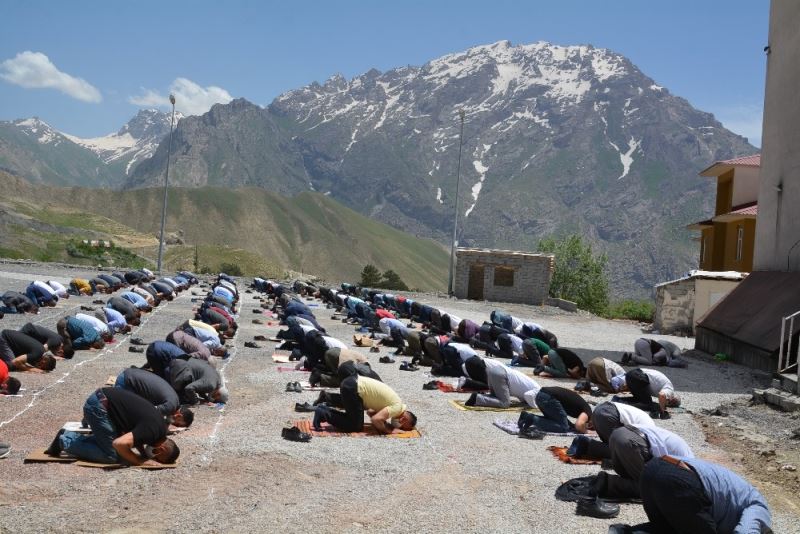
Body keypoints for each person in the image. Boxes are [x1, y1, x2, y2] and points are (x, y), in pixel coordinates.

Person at [626, 456, 772, 533]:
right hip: (678, 481)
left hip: (652, 469)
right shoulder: (759, 506)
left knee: (668, 529)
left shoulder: (741, 495)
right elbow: (745, 531)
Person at [45, 387, 180, 466]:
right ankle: (65, 440)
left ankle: (70, 436)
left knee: (118, 448)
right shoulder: (152, 432)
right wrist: (139, 461)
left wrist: (143, 453)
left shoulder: (160, 429)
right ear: (161, 449)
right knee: (111, 456)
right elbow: (118, 443)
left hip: (104, 401)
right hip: (99, 407)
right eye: (157, 457)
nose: (153, 458)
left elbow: (138, 434)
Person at [313, 375, 416, 433]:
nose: (399, 427)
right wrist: (390, 431)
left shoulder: (397, 404)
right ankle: (323, 413)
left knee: (355, 416)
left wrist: (383, 423)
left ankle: (325, 406)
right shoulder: (397, 408)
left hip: (351, 383)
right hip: (354, 388)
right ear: (404, 420)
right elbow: (375, 419)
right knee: (355, 426)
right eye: (402, 427)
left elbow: (371, 412)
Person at [114, 368, 194, 427]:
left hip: (132, 375)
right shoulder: (171, 406)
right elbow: (149, 413)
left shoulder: (175, 401)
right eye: (178, 424)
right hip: (128, 382)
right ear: (179, 416)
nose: (175, 424)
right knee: (122, 412)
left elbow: (165, 416)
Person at [468, 360, 540, 409]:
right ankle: (477, 398)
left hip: (494, 371)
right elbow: (528, 396)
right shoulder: (538, 390)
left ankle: (480, 396)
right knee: (505, 403)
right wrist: (536, 407)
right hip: (501, 375)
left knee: (495, 397)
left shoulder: (534, 386)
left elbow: (523, 395)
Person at [518, 386, 592, 434]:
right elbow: (579, 425)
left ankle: (526, 416)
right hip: (549, 397)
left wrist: (571, 425)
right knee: (563, 428)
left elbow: (561, 415)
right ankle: (532, 419)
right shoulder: (588, 413)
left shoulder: (584, 408)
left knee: (554, 420)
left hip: (541, 395)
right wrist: (586, 431)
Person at [611, 368, 680, 419]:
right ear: (673, 399)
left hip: (632, 374)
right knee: (648, 403)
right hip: (640, 377)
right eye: (671, 403)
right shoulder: (670, 390)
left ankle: (617, 399)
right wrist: (663, 411)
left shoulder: (665, 385)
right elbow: (662, 395)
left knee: (639, 399)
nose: (668, 404)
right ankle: (620, 403)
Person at [623, 338, 688, 368]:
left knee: (640, 357)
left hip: (638, 341)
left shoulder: (658, 347)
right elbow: (656, 357)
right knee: (649, 362)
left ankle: (629, 356)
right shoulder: (663, 352)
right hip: (644, 344)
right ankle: (631, 356)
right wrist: (655, 361)